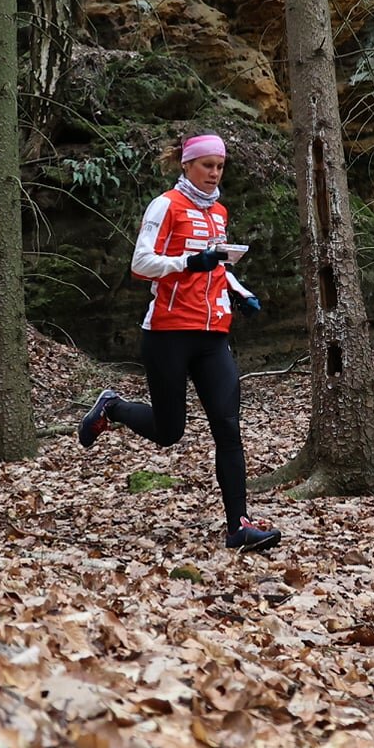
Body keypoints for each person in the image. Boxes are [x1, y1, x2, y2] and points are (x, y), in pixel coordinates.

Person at [77, 132, 282, 553]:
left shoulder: (219, 212)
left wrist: (240, 292)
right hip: (168, 332)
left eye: (220, 166)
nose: (214, 173)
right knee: (169, 431)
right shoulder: (165, 205)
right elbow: (141, 263)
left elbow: (217, 266)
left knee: (227, 426)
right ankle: (113, 407)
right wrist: (189, 262)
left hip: (213, 334)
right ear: (187, 165)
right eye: (207, 165)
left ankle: (239, 526)